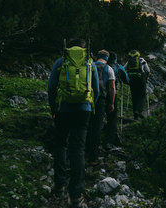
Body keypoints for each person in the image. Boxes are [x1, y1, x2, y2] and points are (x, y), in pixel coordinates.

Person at [48, 38, 99, 208]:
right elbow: (96, 89)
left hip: (63, 109)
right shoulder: (90, 63)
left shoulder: (60, 62)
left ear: (68, 48)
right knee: (78, 149)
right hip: (83, 110)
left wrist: (53, 108)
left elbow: (51, 87)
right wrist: (89, 105)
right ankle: (76, 194)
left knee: (61, 144)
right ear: (84, 49)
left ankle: (59, 186)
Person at [85, 49, 115, 165]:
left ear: (98, 56)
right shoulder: (109, 69)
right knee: (97, 127)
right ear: (107, 58)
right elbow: (112, 87)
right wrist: (111, 103)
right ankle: (93, 157)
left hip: (87, 98)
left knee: (87, 124)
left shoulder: (90, 65)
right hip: (101, 100)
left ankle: (84, 151)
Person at [105, 51, 129, 147]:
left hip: (99, 94)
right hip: (112, 94)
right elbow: (126, 80)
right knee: (112, 118)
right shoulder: (118, 66)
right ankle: (109, 141)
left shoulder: (100, 65)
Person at [124, 50, 150, 120]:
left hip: (132, 80)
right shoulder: (142, 60)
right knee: (142, 95)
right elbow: (147, 70)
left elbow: (124, 69)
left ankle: (135, 115)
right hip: (141, 79)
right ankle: (139, 111)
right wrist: (146, 78)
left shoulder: (129, 61)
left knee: (134, 96)